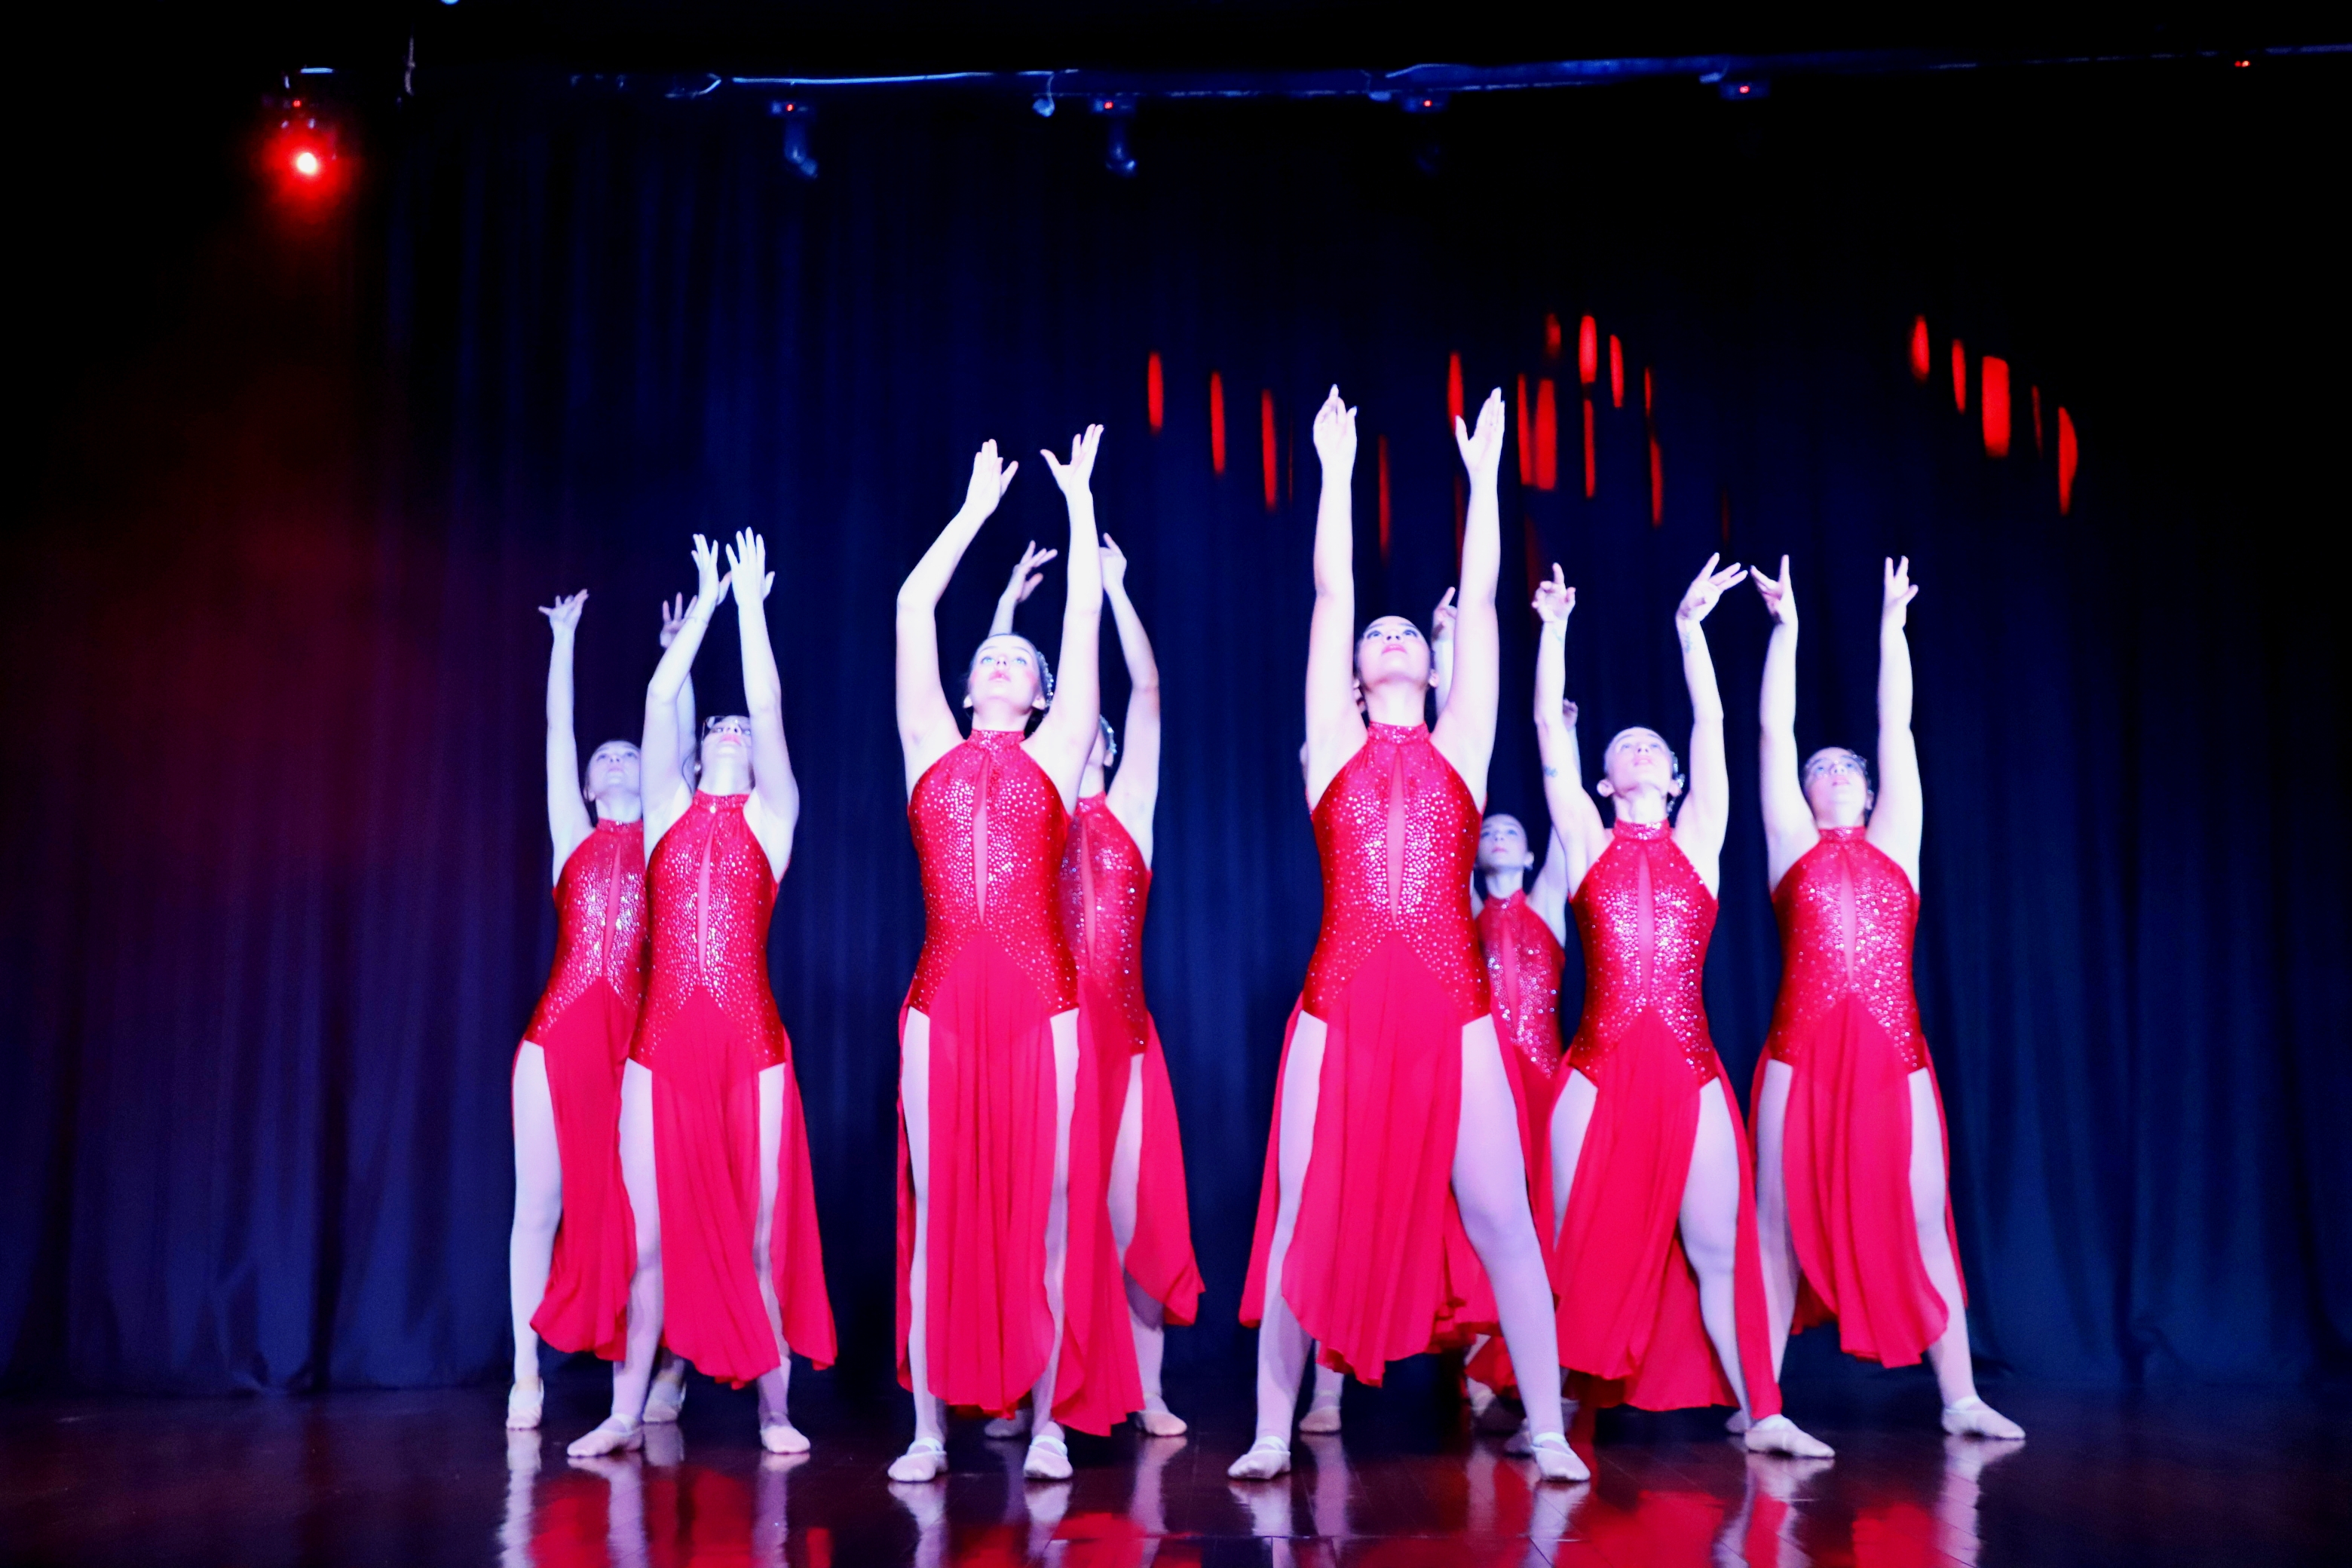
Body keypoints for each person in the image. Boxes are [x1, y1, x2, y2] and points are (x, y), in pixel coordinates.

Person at [1233, 387, 1582, 1484]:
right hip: (1337, 999)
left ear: (1432, 668)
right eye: (1374, 637)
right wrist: (1336, 472)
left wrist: (1484, 478)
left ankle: (1549, 1427)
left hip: (1452, 1004)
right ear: (1354, 672)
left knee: (1502, 1214)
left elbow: (1483, 603)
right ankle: (1269, 1430)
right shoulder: (1333, 742)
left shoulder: (1463, 746)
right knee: (1301, 1215)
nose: (1389, 637)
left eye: (1405, 635)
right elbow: (1331, 591)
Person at [1534, 558, 1831, 1457]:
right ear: (1603, 781)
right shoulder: (1585, 840)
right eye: (1624, 745)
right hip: (1596, 1067)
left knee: (1716, 1251)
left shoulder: (1700, 838)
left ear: (1672, 779)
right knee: (1566, 1245)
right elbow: (1548, 732)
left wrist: (1691, 632)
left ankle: (1764, 1412)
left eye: (1653, 748)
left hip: (1690, 1073)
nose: (1643, 749)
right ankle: (1553, 1418)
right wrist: (1555, 630)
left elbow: (1712, 725)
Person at [890, 430, 1142, 1485]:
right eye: (988, 657)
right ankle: (927, 1430)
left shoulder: (1057, 752)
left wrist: (1080, 504)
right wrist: (972, 513)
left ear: (1040, 697)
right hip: (941, 1002)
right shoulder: (927, 749)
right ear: (967, 689)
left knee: (1049, 1210)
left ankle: (1048, 1420)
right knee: (940, 1214)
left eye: (1017, 662)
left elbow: (1079, 623)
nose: (1000, 663)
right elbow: (912, 607)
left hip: (1046, 1003)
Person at [568, 532, 836, 1458]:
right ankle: (622, 1412)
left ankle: (774, 1411)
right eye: (716, 726)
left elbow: (767, 702)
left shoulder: (774, 816)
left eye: (740, 731)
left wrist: (753, 609)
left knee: (759, 1242)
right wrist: (707, 604)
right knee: (644, 1240)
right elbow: (658, 699)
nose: (730, 729)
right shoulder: (665, 817)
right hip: (661, 1049)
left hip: (751, 1048)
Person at [1749, 556, 2021, 1439]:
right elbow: (1773, 730)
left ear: (1868, 790)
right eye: (1819, 768)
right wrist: (1786, 630)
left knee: (1924, 1218)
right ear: (1804, 792)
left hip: (1894, 1053)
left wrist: (1892, 628)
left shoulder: (1897, 842)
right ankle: (1764, 1405)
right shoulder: (1790, 845)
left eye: (1846, 768)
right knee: (1776, 1230)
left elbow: (1895, 725)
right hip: (1800, 1050)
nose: (1831, 773)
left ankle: (1961, 1397)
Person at [986, 533, 1205, 1439]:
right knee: (1030, 1215)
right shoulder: (1024, 807)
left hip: (1123, 1041)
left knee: (1132, 1218)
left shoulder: (1130, 814)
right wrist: (1006, 611)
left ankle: (1146, 1389)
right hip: (1042, 1033)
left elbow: (1146, 692)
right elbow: (995, 726)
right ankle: (1021, 1387)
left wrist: (1114, 588)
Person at [507, 590, 669, 1429]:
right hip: (558, 1035)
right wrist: (563, 640)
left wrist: (671, 662)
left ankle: (661, 1369)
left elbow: (670, 733)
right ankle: (525, 1372)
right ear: (584, 781)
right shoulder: (572, 836)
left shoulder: (668, 840)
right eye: (602, 756)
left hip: (635, 1046)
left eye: (628, 752)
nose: (612, 759)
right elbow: (555, 734)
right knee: (539, 1205)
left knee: (645, 1215)